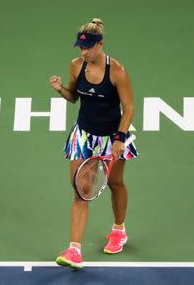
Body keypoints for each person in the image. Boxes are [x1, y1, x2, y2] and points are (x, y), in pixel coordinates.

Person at [49, 18, 138, 269]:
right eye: (80, 47)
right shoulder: (76, 66)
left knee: (115, 183)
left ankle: (119, 229)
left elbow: (129, 107)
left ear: (100, 44)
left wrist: (120, 138)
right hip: (84, 137)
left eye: (87, 47)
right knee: (81, 190)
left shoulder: (117, 71)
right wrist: (60, 89)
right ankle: (74, 250)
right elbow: (74, 97)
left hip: (112, 137)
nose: (83, 51)